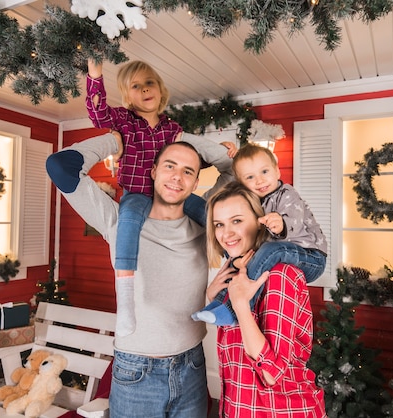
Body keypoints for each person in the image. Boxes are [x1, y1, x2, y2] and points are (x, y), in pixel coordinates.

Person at [46, 134, 224, 417]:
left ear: (195, 182)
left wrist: (183, 139)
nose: (177, 177)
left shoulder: (207, 223)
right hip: (137, 372)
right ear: (152, 171)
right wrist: (113, 140)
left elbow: (233, 169)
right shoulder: (117, 219)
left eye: (188, 171)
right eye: (169, 166)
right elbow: (60, 165)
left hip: (192, 367)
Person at [86, 58, 236, 336]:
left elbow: (187, 160)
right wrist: (95, 75)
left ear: (160, 89)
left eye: (149, 83)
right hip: (137, 193)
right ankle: (126, 299)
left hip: (170, 193)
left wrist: (221, 150)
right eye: (136, 86)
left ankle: (237, 264)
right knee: (127, 221)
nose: (144, 90)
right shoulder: (124, 120)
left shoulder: (171, 129)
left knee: (209, 213)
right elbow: (98, 115)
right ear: (128, 95)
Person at [204, 181, 326, 417]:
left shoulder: (281, 274)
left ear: (260, 223)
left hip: (281, 410)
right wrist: (214, 297)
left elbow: (272, 373)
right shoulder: (236, 275)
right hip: (238, 407)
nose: (226, 233)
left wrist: (239, 306)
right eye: (219, 224)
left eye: (237, 221)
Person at [192, 143, 327, 326]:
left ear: (277, 172)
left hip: (310, 256)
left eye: (264, 172)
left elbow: (293, 224)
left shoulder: (287, 194)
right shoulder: (252, 202)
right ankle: (220, 303)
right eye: (250, 177)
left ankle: (235, 308)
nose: (259, 180)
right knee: (253, 259)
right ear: (241, 183)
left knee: (272, 249)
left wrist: (281, 224)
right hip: (278, 253)